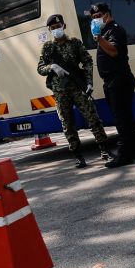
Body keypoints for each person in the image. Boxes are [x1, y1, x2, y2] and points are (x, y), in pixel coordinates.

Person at [37, 14, 112, 168]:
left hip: (78, 88)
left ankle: (105, 151)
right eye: (53, 28)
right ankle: (78, 156)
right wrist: (52, 67)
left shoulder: (75, 43)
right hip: (60, 91)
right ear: (49, 30)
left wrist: (89, 82)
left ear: (63, 26)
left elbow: (87, 61)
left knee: (93, 119)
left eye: (58, 27)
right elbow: (40, 68)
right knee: (67, 124)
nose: (56, 30)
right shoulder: (47, 48)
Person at [88, 2, 135, 168]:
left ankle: (124, 154)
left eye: (98, 16)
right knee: (125, 117)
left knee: (121, 119)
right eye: (93, 18)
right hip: (112, 80)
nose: (96, 20)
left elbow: (113, 51)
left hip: (119, 79)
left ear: (107, 15)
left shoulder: (115, 29)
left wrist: (98, 38)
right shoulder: (105, 31)